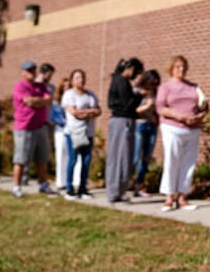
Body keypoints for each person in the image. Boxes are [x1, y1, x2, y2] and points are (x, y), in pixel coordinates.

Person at [157, 56, 206, 211]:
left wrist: (198, 117)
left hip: (192, 129)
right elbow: (161, 108)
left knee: (188, 163)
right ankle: (169, 196)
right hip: (172, 127)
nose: (181, 69)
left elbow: (204, 105)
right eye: (178, 66)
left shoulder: (193, 87)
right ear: (171, 68)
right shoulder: (166, 87)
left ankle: (183, 196)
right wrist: (179, 116)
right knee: (172, 160)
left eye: (183, 66)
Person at [11, 60, 56, 198]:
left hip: (40, 126)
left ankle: (43, 185)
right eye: (28, 70)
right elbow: (28, 101)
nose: (32, 73)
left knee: (42, 159)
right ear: (22, 73)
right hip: (24, 128)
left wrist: (37, 101)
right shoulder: (20, 86)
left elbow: (49, 99)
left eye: (33, 70)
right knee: (21, 159)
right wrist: (38, 101)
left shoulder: (41, 86)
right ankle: (16, 187)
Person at [105, 58, 143, 203]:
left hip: (122, 121)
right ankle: (115, 191)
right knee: (120, 157)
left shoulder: (118, 81)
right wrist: (140, 95)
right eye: (136, 72)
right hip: (122, 121)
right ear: (131, 68)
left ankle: (119, 191)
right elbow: (128, 104)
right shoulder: (121, 81)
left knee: (122, 157)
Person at [62, 68, 101, 200]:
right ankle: (69, 189)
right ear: (72, 80)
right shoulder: (69, 95)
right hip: (74, 132)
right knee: (73, 160)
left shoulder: (90, 95)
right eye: (77, 77)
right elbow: (74, 112)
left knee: (86, 161)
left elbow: (99, 110)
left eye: (82, 77)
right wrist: (90, 112)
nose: (81, 80)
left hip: (88, 132)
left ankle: (83, 189)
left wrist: (85, 112)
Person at [132, 69, 161, 197]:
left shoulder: (155, 93)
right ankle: (124, 183)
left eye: (155, 84)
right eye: (151, 83)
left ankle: (139, 186)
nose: (153, 86)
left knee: (146, 158)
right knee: (135, 157)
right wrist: (146, 106)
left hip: (152, 125)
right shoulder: (137, 92)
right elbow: (131, 110)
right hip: (139, 124)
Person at [50, 77, 71, 192]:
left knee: (69, 156)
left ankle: (68, 180)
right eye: (65, 86)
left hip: (71, 131)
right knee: (60, 155)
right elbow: (53, 117)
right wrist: (65, 122)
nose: (67, 88)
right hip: (60, 130)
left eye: (69, 86)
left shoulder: (73, 99)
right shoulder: (56, 101)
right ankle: (59, 181)